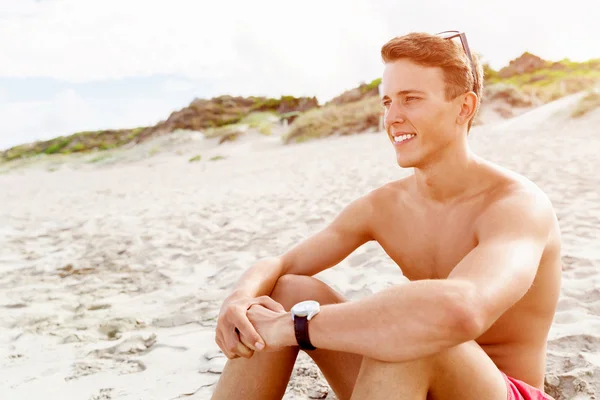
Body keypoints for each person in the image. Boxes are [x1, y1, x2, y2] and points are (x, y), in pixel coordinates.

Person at [211, 31, 562, 400]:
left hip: (498, 391)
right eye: (387, 102)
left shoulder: (516, 206)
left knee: (413, 333)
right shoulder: (384, 206)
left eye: (411, 99)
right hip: (402, 387)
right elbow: (283, 263)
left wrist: (293, 327)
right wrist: (239, 298)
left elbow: (462, 310)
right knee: (288, 290)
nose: (393, 118)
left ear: (464, 107)